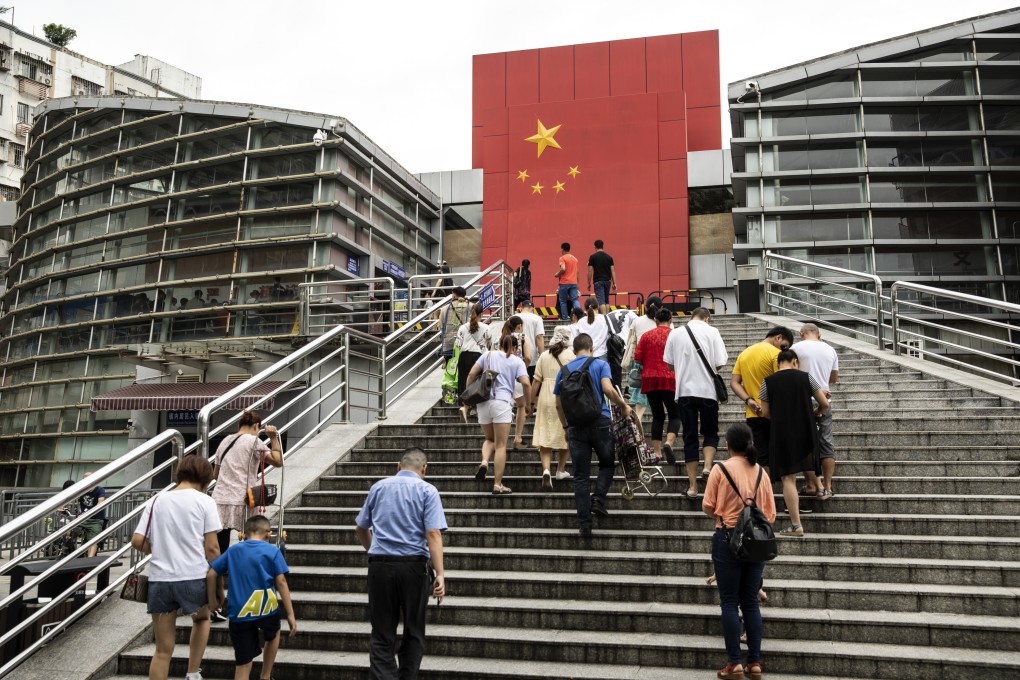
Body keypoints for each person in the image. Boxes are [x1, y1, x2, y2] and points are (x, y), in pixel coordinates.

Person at [354, 447, 447, 678]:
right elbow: (433, 533)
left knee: (382, 632)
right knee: (414, 630)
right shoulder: (428, 490)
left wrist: (374, 551)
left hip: (380, 567)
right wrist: (440, 573)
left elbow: (360, 528)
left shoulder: (379, 487)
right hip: (414, 567)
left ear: (398, 465)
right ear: (424, 469)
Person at [132, 455, 221, 680]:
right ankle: (192, 673)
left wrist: (161, 548)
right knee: (201, 619)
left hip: (160, 580)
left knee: (162, 650)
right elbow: (211, 548)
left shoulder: (156, 500)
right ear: (205, 477)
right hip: (193, 577)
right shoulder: (205, 501)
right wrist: (219, 578)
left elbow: (137, 540)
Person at [702, 423, 776, 680]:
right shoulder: (761, 473)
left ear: (728, 445)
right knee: (751, 603)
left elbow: (708, 506)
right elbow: (771, 515)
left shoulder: (719, 469)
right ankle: (754, 662)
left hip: (726, 538)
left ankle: (734, 663)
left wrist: (727, 516)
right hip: (756, 543)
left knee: (729, 602)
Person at [554, 333, 632, 537]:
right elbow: (607, 389)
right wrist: (623, 405)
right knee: (607, 463)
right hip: (600, 422)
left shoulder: (564, 371)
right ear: (591, 348)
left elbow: (558, 404)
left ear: (574, 350)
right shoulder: (600, 365)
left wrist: (565, 428)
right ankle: (598, 499)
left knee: (580, 476)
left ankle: (584, 524)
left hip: (576, 427)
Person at [210, 410, 283, 621]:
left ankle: (215, 604)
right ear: (256, 426)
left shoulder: (225, 441)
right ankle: (248, 598)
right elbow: (277, 460)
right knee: (252, 549)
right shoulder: (254, 441)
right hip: (243, 500)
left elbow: (216, 474)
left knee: (218, 554)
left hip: (220, 500)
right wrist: (273, 438)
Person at [208, 514, 296, 680]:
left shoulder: (234, 550)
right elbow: (281, 582)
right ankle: (265, 675)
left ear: (244, 534)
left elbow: (212, 574)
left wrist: (213, 601)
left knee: (243, 663)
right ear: (267, 534)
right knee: (273, 634)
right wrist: (290, 614)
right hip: (266, 608)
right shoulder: (273, 551)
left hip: (239, 611)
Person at [759, 349, 829, 537]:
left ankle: (796, 525)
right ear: (795, 362)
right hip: (806, 430)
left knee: (788, 478)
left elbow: (765, 413)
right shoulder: (806, 378)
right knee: (807, 461)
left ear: (778, 364)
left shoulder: (767, 382)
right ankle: (821, 487)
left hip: (781, 433)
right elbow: (825, 403)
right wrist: (816, 413)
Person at [664, 307, 729, 498]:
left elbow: (668, 364)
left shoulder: (675, 333)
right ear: (707, 318)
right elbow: (720, 362)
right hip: (708, 392)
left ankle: (692, 487)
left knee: (690, 436)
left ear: (691, 316)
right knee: (710, 431)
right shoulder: (713, 332)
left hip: (685, 392)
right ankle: (707, 467)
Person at [464, 334, 532, 494]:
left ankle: (484, 462)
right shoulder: (517, 361)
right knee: (501, 445)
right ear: (515, 348)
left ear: (499, 343)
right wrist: (529, 403)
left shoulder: (487, 355)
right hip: (501, 403)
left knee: (489, 439)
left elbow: (471, 374)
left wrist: (469, 394)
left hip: (483, 403)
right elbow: (526, 383)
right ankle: (497, 484)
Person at [730, 327, 794, 468]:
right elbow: (783, 381)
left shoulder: (744, 353)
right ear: (778, 338)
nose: (784, 349)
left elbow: (734, 382)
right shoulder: (777, 354)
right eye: (784, 345)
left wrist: (749, 400)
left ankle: (763, 488)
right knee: (782, 454)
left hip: (753, 413)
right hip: (775, 412)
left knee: (761, 456)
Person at [792, 323, 839, 500]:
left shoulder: (796, 348)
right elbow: (833, 378)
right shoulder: (830, 349)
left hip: (802, 400)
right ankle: (827, 486)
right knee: (826, 440)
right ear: (819, 334)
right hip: (824, 399)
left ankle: (812, 484)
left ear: (801, 334)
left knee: (805, 443)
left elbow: (791, 373)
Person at [530, 325, 575, 491]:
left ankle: (546, 470)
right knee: (567, 433)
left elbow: (536, 381)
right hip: (564, 398)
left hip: (545, 397)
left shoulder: (544, 356)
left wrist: (531, 403)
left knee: (545, 434)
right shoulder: (571, 356)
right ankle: (560, 470)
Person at [633, 307, 678, 465]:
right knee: (675, 414)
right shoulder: (674, 335)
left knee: (657, 416)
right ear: (671, 320)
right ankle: (669, 443)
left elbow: (637, 357)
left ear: (656, 320)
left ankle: (657, 453)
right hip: (670, 379)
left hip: (650, 379)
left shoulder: (646, 336)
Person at [622, 296, 662, 424]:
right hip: (658, 363)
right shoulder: (666, 322)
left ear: (645, 307)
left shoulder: (637, 320)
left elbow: (629, 341)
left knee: (641, 394)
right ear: (661, 308)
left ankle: (636, 419)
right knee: (652, 397)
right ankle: (637, 422)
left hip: (639, 361)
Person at [498, 315, 534, 449]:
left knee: (505, 404)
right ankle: (517, 437)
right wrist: (522, 367)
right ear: (519, 327)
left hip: (501, 378)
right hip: (517, 377)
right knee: (521, 405)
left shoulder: (499, 338)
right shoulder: (522, 337)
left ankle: (501, 438)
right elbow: (529, 357)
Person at [456, 303, 491, 423]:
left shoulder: (462, 327)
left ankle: (464, 406)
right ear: (482, 314)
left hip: (463, 356)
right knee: (477, 384)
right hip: (477, 357)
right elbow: (489, 345)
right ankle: (475, 409)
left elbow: (458, 344)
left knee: (464, 381)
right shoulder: (486, 327)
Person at [78, 471, 106, 558]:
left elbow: (101, 500)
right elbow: (70, 498)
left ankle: (90, 559)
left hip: (96, 519)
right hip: (83, 518)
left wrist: (93, 511)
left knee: (93, 540)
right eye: (85, 478)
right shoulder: (81, 491)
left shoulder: (99, 490)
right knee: (67, 532)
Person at [587, 239, 618, 314]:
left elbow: (590, 271)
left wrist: (588, 282)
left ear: (595, 247)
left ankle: (604, 318)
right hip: (607, 281)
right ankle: (607, 316)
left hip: (598, 281)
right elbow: (612, 271)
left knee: (601, 300)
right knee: (606, 300)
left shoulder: (592, 257)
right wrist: (615, 283)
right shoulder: (609, 257)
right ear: (602, 246)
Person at [439, 286, 470, 360]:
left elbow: (441, 326)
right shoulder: (469, 307)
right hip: (464, 342)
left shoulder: (444, 308)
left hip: (449, 344)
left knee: (450, 368)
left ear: (454, 295)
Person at [518, 299, 545, 379]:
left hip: (514, 356)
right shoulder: (537, 318)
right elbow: (539, 337)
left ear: (521, 308)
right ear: (532, 308)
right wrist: (541, 355)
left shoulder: (513, 317)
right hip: (532, 357)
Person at [554, 242, 580, 321]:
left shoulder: (562, 258)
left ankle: (565, 317)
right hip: (574, 282)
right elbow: (577, 272)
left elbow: (563, 268)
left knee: (562, 301)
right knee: (575, 299)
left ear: (562, 249)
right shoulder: (575, 259)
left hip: (564, 282)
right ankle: (579, 314)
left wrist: (557, 274)